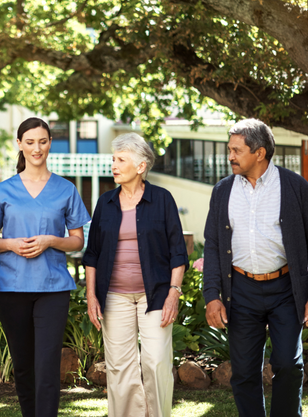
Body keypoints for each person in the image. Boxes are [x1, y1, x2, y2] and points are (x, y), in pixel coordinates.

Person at [203, 119, 308, 417]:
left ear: (259, 153)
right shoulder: (222, 191)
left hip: (285, 289)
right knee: (245, 371)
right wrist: (212, 295)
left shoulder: (295, 186)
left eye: (236, 150)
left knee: (288, 364)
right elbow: (212, 245)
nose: (230, 156)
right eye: (229, 150)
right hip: (241, 290)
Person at [0, 117, 90, 417]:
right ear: (19, 144)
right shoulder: (4, 190)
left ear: (49, 144)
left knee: (46, 365)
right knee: (24, 367)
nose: (36, 148)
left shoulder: (66, 189)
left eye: (42, 141)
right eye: (30, 142)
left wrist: (51, 241)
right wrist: (10, 245)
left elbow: (77, 240)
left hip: (52, 290)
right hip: (12, 288)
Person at [83, 132, 188, 417]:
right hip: (114, 295)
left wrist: (173, 293)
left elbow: (178, 252)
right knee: (119, 367)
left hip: (155, 296)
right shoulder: (105, 203)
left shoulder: (162, 200)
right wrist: (91, 296)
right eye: (113, 159)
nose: (114, 165)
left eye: (121, 160)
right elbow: (91, 254)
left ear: (141, 166)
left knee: (155, 362)